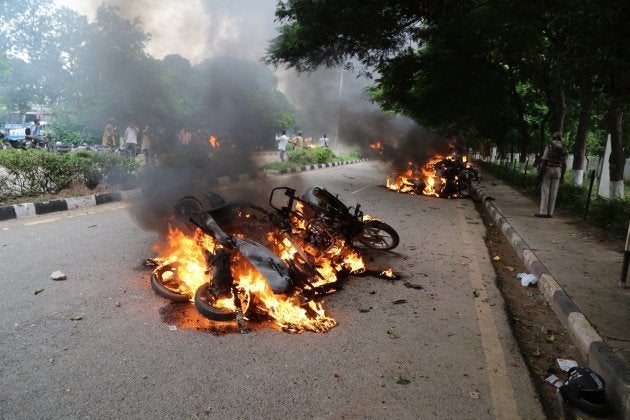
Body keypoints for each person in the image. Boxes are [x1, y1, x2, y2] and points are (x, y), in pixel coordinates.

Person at [536, 132, 568, 218]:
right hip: (558, 170)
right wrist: (563, 176)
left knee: (545, 190)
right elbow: (564, 164)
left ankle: (543, 212)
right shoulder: (564, 148)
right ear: (561, 138)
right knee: (554, 192)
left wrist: (540, 171)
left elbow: (543, 160)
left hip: (549, 168)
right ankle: (550, 213)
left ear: (553, 138)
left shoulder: (549, 146)